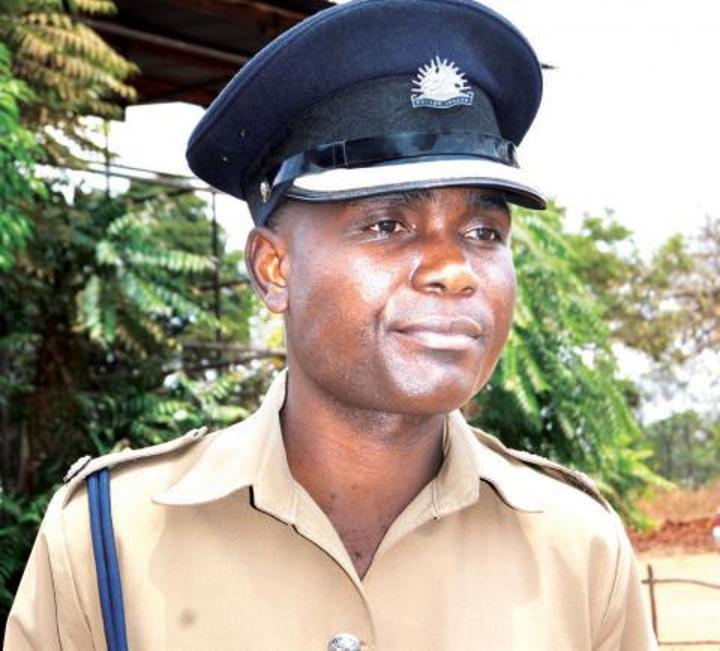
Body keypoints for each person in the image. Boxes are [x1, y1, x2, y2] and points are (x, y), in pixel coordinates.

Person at [4, 0, 658, 649]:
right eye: (388, 225)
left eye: (484, 232)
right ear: (274, 268)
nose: (454, 270)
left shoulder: (579, 548)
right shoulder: (109, 541)